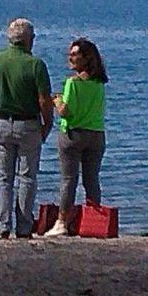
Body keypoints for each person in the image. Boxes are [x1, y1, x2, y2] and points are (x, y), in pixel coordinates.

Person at [0, 17, 53, 239]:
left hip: (1, 122)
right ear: (29, 40)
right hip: (28, 123)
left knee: (3, 177)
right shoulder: (36, 64)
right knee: (27, 177)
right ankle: (24, 226)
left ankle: (3, 224)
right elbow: (44, 100)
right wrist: (47, 124)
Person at [46, 37, 109, 237]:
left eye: (74, 54)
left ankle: (62, 222)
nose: (70, 58)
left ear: (86, 58)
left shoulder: (72, 83)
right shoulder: (99, 84)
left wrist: (56, 100)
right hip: (96, 134)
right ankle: (94, 220)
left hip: (73, 134)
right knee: (92, 180)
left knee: (68, 180)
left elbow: (66, 112)